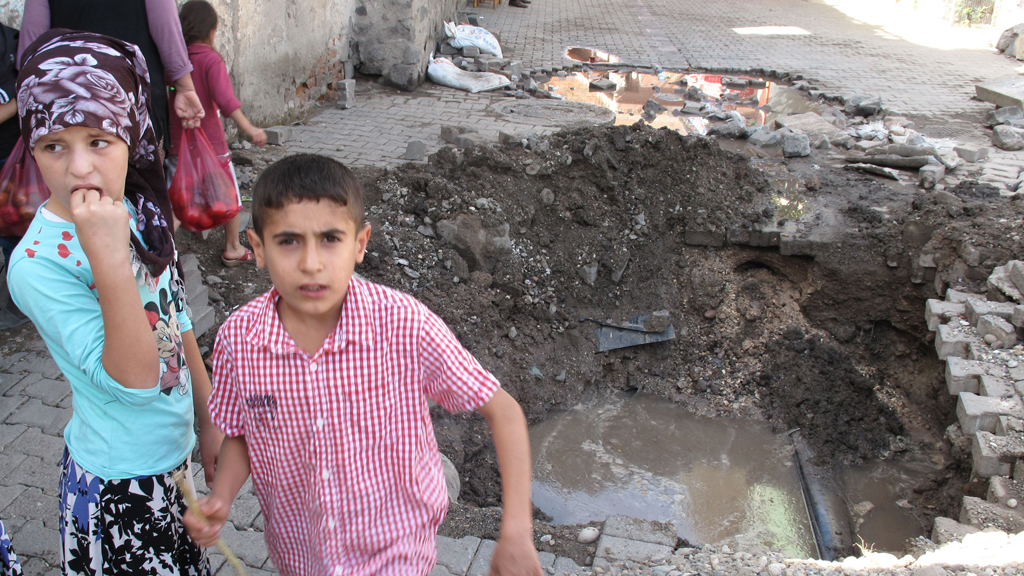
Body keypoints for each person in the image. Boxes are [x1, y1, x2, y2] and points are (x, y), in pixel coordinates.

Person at [183, 154, 543, 576]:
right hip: (301, 553)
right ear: (258, 248)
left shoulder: (403, 325)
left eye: (331, 238)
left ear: (360, 243)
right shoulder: (240, 341)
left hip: (396, 550)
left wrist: (516, 531)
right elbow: (245, 434)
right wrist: (223, 497)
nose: (311, 263)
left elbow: (504, 412)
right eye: (288, 241)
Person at [7, 29, 221, 575]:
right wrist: (107, 257)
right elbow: (133, 378)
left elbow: (173, 315)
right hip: (118, 489)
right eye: (55, 146)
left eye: (99, 141)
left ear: (133, 136)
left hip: (174, 467)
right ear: (32, 149)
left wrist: (208, 416)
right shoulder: (37, 266)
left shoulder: (139, 212)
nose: (79, 169)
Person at [17, 0, 206, 145]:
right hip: (132, 98)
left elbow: (31, 45)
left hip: (67, 105)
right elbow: (165, 26)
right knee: (138, 186)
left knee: (74, 182)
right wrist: (184, 87)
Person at [171, 0, 266, 266]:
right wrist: (248, 128)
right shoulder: (211, 60)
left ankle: (163, 250)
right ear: (211, 31)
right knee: (228, 194)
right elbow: (225, 101)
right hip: (212, 145)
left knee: (180, 195)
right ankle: (233, 247)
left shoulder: (175, 63)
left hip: (179, 145)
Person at [0, 22, 27, 330]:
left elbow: (22, 94)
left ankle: (20, 302)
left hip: (12, 155)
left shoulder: (11, 44)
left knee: (13, 228)